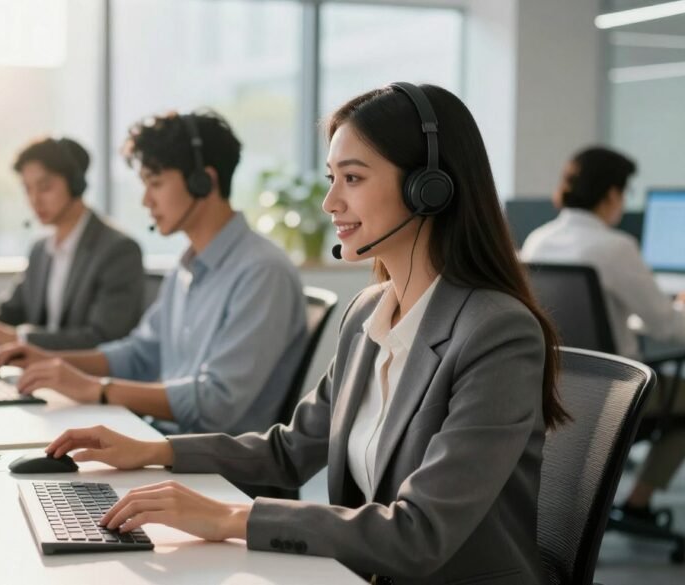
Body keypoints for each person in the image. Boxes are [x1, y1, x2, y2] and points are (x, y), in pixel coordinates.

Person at [42, 84, 570, 584]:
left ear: (428, 190)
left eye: (354, 178)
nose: (331, 203)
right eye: (330, 179)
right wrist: (154, 451)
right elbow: (289, 450)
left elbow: (420, 534)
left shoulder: (497, 333)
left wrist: (229, 517)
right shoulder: (368, 313)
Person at [0, 111, 306, 436]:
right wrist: (50, 361)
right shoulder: (185, 269)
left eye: (155, 183)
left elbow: (216, 403)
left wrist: (98, 389)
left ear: (204, 181)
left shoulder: (262, 272)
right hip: (164, 441)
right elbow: (140, 354)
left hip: (215, 470)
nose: (145, 199)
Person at [522, 146, 685, 529]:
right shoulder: (616, 247)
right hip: (618, 393)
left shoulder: (538, 240)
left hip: (558, 388)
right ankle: (638, 502)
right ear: (612, 194)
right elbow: (667, 327)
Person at [0, 137, 145, 350]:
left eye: (45, 187)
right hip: (36, 374)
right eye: (27, 189)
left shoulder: (119, 250)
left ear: (76, 184)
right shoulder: (41, 249)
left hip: (84, 379)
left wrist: (17, 339)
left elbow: (102, 338)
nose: (34, 200)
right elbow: (10, 312)